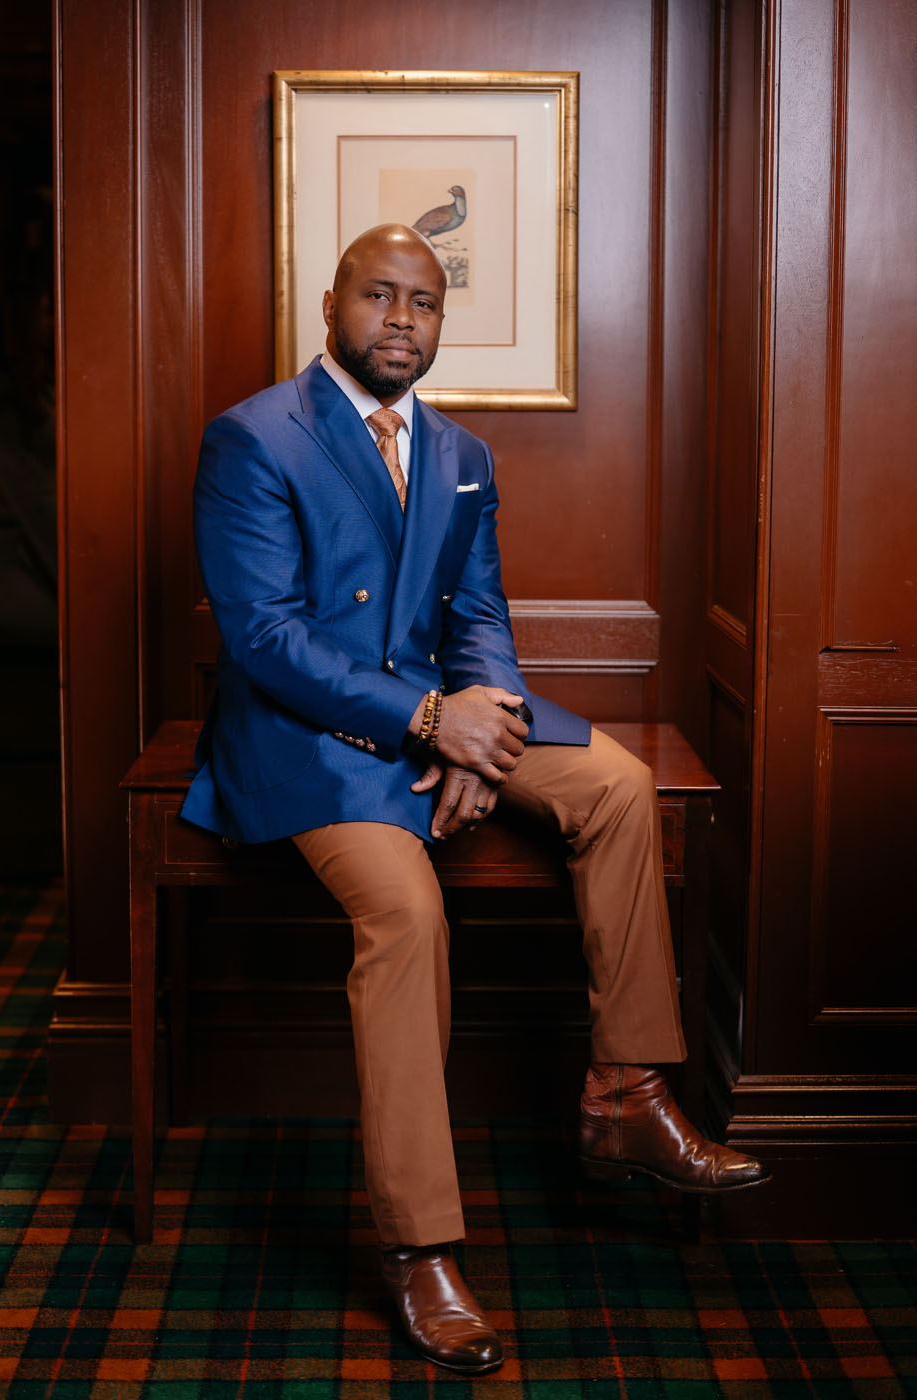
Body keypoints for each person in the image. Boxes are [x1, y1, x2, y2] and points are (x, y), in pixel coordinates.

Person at [181, 224, 769, 1374]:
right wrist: (421, 722)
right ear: (331, 303)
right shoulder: (252, 437)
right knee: (405, 911)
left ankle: (625, 1089)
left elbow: (479, 615)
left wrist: (482, 727)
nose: (403, 319)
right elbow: (264, 639)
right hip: (307, 739)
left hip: (439, 716)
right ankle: (421, 1243)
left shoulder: (459, 451)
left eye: (425, 302)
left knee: (615, 783)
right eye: (380, 296)